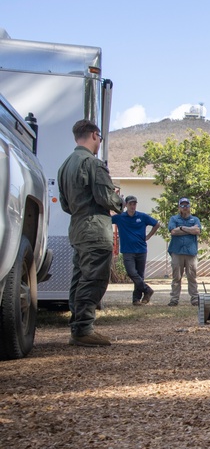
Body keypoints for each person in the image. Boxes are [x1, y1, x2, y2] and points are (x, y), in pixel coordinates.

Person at [57, 120, 123, 346]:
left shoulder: (65, 166)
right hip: (95, 230)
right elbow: (106, 198)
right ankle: (83, 329)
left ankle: (77, 326)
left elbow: (65, 205)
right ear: (95, 135)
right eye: (100, 138)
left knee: (79, 278)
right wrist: (118, 199)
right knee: (94, 278)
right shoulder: (92, 164)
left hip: (77, 229)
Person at [111, 196, 160, 306]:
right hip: (128, 250)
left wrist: (149, 236)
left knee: (139, 275)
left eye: (134, 204)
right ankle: (147, 290)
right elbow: (107, 219)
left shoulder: (142, 216)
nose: (133, 206)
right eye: (130, 204)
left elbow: (156, 224)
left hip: (141, 249)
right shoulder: (120, 217)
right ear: (126, 205)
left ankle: (136, 299)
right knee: (132, 272)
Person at [167, 198, 202, 307]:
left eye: (187, 205)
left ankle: (195, 298)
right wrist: (189, 230)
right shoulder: (173, 219)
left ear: (190, 207)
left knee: (192, 276)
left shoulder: (195, 219)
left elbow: (197, 231)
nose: (185, 207)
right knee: (176, 277)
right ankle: (174, 299)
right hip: (177, 251)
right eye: (182, 205)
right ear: (179, 207)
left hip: (191, 252)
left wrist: (181, 228)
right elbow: (173, 232)